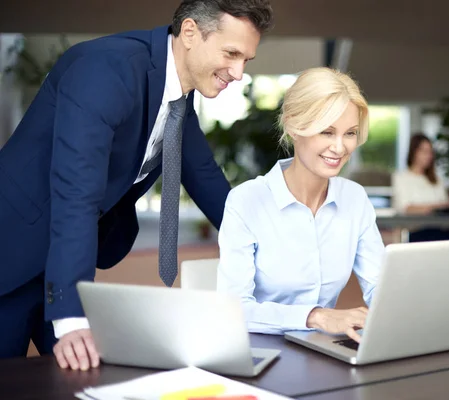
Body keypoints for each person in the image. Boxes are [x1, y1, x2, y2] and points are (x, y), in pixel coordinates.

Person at [0, 0, 273, 370]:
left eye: (246, 60)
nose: (239, 72)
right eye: (231, 53)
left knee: (86, 377)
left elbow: (207, 179)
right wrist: (71, 317)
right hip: (11, 255)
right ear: (190, 32)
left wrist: (276, 256)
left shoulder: (178, 96)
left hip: (66, 257)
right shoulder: (106, 71)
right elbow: (76, 194)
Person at [216, 67, 385, 344]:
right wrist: (316, 316)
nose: (340, 147)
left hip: (325, 350)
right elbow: (234, 309)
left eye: (350, 133)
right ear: (294, 127)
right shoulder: (246, 201)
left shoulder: (355, 199)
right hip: (261, 351)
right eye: (327, 132)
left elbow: (381, 286)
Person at [393, 133, 449, 242]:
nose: (429, 156)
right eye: (424, 151)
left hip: (440, 227)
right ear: (414, 152)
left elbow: (446, 207)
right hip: (417, 231)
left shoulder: (436, 179)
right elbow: (406, 208)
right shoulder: (402, 178)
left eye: (430, 152)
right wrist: (435, 207)